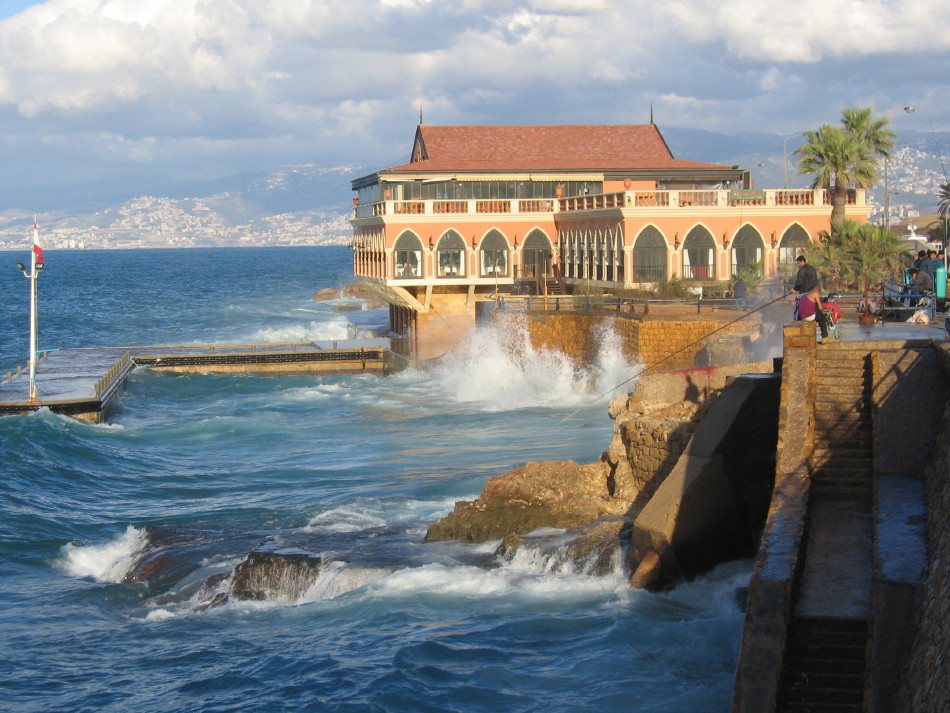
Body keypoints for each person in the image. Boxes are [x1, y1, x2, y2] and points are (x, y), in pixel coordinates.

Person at [791, 255, 819, 320]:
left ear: (802, 261)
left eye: (798, 263)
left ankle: (797, 323)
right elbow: (815, 281)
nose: (798, 265)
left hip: (804, 293)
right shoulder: (812, 269)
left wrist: (795, 289)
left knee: (799, 309)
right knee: (811, 308)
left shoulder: (802, 270)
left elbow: (799, 282)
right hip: (812, 293)